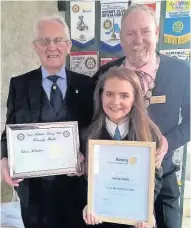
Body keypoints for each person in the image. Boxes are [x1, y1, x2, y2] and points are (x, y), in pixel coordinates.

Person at [92, 5, 190, 228]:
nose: (138, 39)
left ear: (156, 33)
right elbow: (94, 122)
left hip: (163, 177)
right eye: (130, 33)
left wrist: (168, 142)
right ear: (121, 38)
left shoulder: (181, 71)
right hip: (118, 183)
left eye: (145, 31)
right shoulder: (104, 75)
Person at [1, 15, 94, 228]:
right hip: (34, 192)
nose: (52, 46)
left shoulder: (87, 85)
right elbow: (9, 131)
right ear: (35, 46)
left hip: (76, 189)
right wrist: (3, 159)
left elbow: (94, 130)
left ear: (69, 46)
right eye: (44, 41)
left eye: (59, 40)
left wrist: (86, 157)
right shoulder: (19, 85)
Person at [81, 67, 166, 228]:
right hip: (100, 219)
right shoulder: (88, 135)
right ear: (100, 96)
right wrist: (90, 204)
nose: (115, 102)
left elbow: (156, 177)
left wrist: (146, 211)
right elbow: (86, 180)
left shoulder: (150, 134)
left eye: (124, 96)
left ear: (135, 99)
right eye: (109, 94)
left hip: (138, 221)